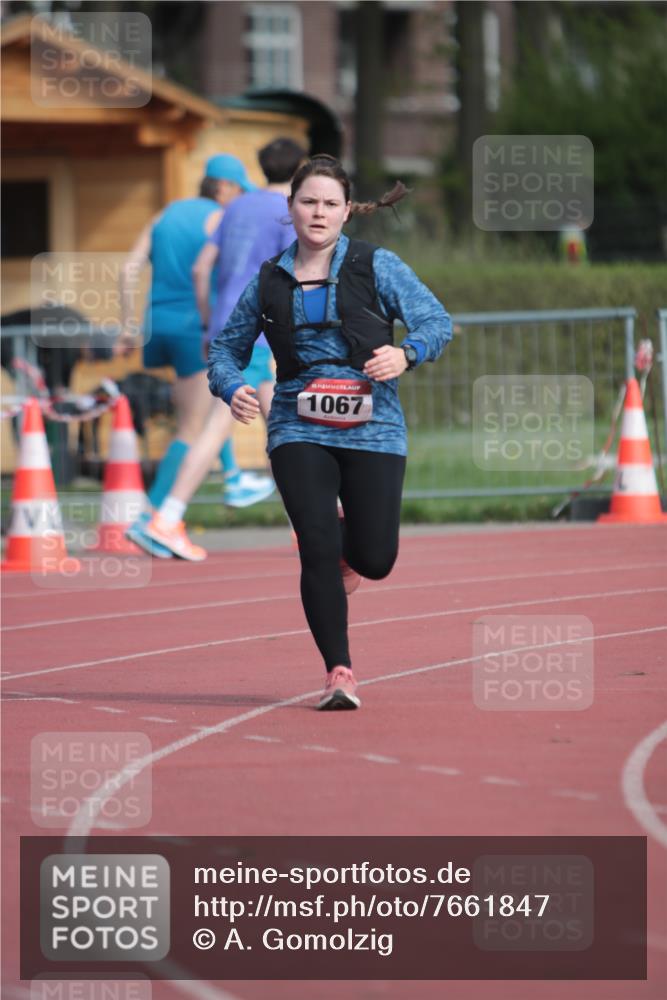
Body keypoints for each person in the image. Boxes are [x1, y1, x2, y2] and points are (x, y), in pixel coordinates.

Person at [208, 155, 452, 709]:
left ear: (347, 212)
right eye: (308, 202)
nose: (318, 213)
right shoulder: (269, 278)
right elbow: (226, 348)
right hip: (297, 422)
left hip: (374, 425)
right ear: (290, 208)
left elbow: (436, 322)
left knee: (375, 559)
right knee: (315, 546)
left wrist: (405, 353)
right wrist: (231, 386)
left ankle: (351, 550)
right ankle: (338, 672)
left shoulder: (376, 266)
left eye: (329, 204)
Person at [136, 138, 306, 561]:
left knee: (284, 429)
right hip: (260, 331)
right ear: (301, 168)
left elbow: (200, 268)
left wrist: (211, 320)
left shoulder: (235, 209)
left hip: (231, 326)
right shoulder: (289, 212)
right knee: (217, 425)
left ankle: (307, 524)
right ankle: (166, 518)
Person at [119, 154, 255, 556]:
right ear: (224, 187)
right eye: (240, 190)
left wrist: (128, 326)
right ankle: (152, 518)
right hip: (193, 326)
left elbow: (127, 270)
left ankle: (232, 475)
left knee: (201, 412)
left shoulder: (164, 214)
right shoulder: (219, 219)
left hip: (155, 324)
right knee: (194, 426)